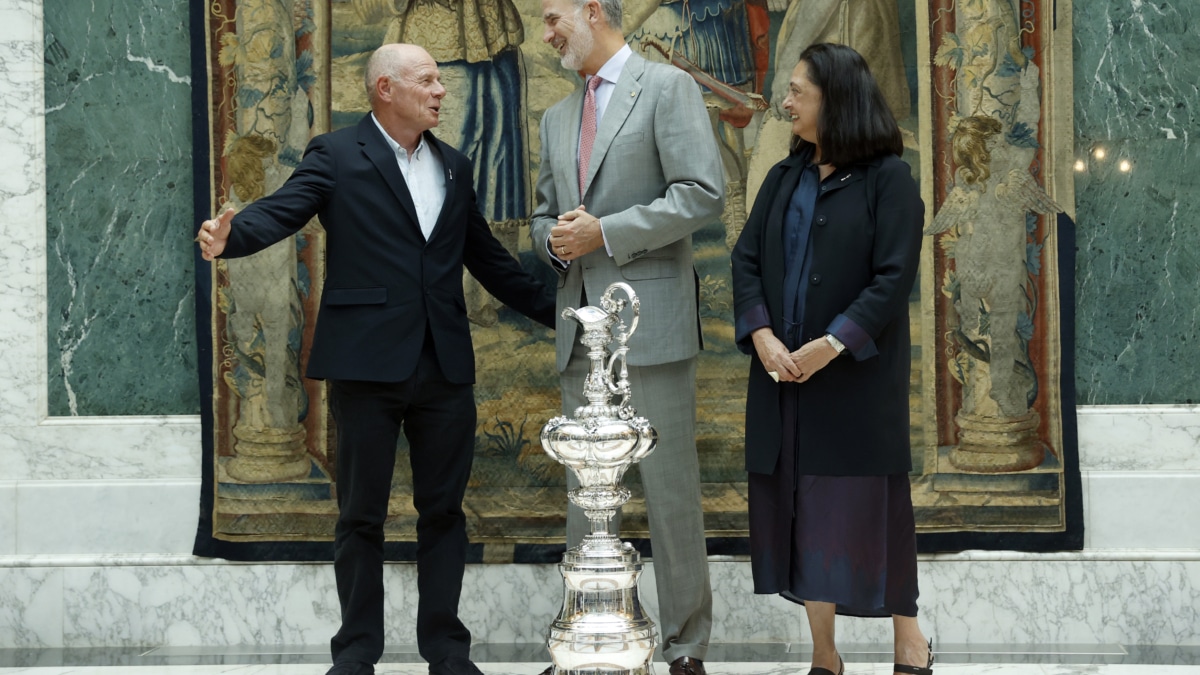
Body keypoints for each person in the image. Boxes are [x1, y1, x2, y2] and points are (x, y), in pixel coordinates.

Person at [196, 43, 556, 675]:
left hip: (443, 367)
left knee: (443, 514)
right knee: (359, 516)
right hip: (365, 364)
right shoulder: (336, 154)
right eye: (427, 81)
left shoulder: (455, 166)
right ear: (385, 89)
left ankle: (446, 652)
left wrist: (567, 313)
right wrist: (234, 235)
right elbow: (287, 207)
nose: (440, 91)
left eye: (440, 82)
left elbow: (490, 263)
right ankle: (356, 654)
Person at [530, 1, 725, 674]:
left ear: (593, 10)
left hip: (653, 324)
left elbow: (703, 194)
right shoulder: (557, 116)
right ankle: (589, 639)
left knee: (670, 494)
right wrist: (554, 241)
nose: (546, 31)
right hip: (578, 329)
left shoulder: (666, 88)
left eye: (553, 16)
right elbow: (541, 211)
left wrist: (605, 232)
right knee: (587, 496)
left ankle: (685, 647)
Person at [730, 43, 934, 675]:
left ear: (835, 100)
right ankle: (825, 656)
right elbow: (745, 262)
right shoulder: (782, 178)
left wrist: (831, 344)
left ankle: (910, 639)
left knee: (874, 514)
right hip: (782, 383)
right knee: (802, 518)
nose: (784, 102)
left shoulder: (891, 180)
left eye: (797, 92)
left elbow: (892, 279)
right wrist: (762, 336)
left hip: (854, 389)